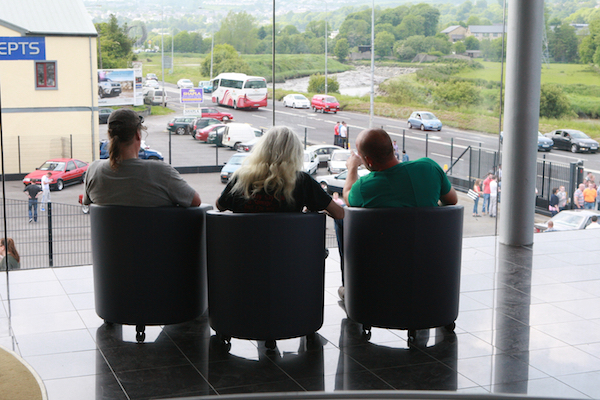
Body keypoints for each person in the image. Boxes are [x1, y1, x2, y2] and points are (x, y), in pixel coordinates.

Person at [337, 128, 457, 299]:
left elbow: (347, 196)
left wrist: (352, 167)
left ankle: (349, 287)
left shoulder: (364, 188)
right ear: (392, 149)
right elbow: (452, 200)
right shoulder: (429, 168)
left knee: (342, 219)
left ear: (369, 160)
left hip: (386, 262)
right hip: (428, 260)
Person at [216, 126, 344, 220]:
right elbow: (339, 213)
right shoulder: (301, 181)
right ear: (294, 153)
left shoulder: (241, 177)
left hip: (244, 253)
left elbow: (220, 206)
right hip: (286, 254)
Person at [83, 108, 201, 207]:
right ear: (138, 135)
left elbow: (86, 201)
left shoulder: (94, 170)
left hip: (110, 236)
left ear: (109, 135)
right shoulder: (160, 172)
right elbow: (195, 201)